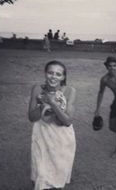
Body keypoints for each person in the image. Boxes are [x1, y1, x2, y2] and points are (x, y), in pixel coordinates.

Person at [28, 60, 76, 190]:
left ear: (63, 77)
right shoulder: (37, 89)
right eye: (50, 73)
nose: (53, 77)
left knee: (58, 176)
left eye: (58, 74)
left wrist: (52, 103)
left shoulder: (70, 91)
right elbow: (31, 117)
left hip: (62, 138)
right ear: (45, 74)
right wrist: (42, 105)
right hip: (41, 134)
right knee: (40, 174)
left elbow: (67, 121)